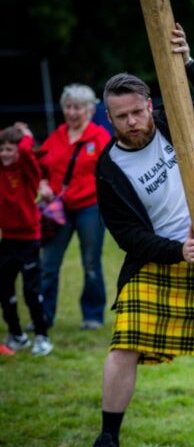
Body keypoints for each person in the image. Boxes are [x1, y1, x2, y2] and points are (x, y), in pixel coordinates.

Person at [81, 23, 194, 447]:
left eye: (136, 111)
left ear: (149, 105)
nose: (132, 122)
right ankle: (108, 438)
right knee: (123, 343)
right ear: (108, 118)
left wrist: (187, 64)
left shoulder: (176, 121)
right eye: (120, 117)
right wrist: (174, 251)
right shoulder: (109, 168)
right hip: (157, 260)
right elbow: (126, 236)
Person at [37, 83, 112, 331]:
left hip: (90, 207)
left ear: (90, 110)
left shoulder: (100, 136)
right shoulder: (56, 136)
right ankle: (43, 316)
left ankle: (92, 316)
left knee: (91, 263)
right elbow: (41, 168)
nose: (72, 112)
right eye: (68, 107)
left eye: (78, 107)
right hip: (58, 209)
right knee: (48, 265)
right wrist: (44, 184)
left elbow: (112, 170)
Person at [0, 125, 51, 355]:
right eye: (1, 149)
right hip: (7, 240)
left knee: (31, 292)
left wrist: (27, 136)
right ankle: (16, 335)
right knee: (5, 290)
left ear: (19, 151)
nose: (4, 154)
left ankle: (42, 336)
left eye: (9, 149)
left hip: (29, 240)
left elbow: (28, 151)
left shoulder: (28, 171)